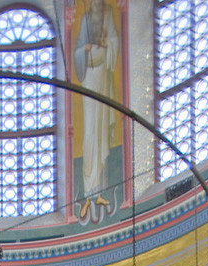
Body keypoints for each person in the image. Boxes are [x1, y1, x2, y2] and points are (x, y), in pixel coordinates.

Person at [73, 0, 119, 217]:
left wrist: (107, 44)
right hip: (90, 78)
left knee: (101, 136)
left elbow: (114, 40)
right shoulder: (84, 19)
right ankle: (88, 189)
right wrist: (86, 48)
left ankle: (99, 190)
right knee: (90, 132)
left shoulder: (108, 14)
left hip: (103, 77)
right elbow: (77, 52)